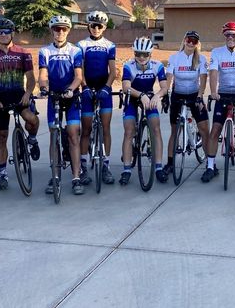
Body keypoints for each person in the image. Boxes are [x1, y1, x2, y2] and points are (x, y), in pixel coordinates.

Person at [0, 18, 40, 191]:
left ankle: (33, 139)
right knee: (2, 136)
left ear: (12, 33)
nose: (3, 35)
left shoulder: (23, 53)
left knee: (32, 120)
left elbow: (30, 78)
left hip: (19, 95)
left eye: (6, 32)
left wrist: (28, 94)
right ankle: (3, 174)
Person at [202, 21, 235, 184]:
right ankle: (210, 167)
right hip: (223, 94)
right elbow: (213, 72)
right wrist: (213, 92)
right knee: (215, 130)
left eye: (234, 35)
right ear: (224, 36)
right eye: (227, 35)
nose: (230, 37)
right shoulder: (217, 52)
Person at [38, 15, 84, 196]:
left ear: (68, 30)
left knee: (73, 135)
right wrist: (43, 87)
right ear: (52, 31)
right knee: (54, 136)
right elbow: (43, 74)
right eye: (57, 29)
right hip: (54, 96)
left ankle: (76, 177)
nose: (60, 32)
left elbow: (79, 76)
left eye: (64, 29)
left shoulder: (75, 50)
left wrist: (72, 89)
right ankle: (55, 175)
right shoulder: (44, 51)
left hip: (71, 96)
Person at [120, 37, 169, 185]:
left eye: (145, 54)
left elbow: (165, 87)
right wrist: (140, 95)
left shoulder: (157, 65)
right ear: (134, 53)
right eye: (138, 54)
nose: (141, 57)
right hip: (133, 97)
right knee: (129, 131)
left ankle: (159, 167)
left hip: (149, 97)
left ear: (150, 54)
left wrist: (157, 96)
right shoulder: (128, 65)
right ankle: (127, 169)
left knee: (156, 128)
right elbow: (125, 87)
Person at [77, 10, 117, 186]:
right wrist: (84, 86)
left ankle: (106, 165)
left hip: (104, 89)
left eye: (99, 26)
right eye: (92, 25)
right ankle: (83, 166)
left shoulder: (110, 45)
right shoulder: (80, 44)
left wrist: (108, 88)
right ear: (88, 26)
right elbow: (79, 69)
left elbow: (113, 71)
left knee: (106, 127)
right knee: (85, 129)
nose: (95, 28)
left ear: (104, 28)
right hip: (87, 88)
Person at [164, 31, 209, 175]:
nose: (191, 43)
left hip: (195, 94)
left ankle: (210, 163)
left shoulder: (201, 59)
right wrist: (165, 93)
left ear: (197, 44)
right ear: (184, 40)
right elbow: (169, 77)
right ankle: (170, 164)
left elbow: (203, 79)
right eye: (189, 40)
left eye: (194, 41)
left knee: (204, 129)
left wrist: (200, 96)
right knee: (174, 132)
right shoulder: (174, 58)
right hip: (178, 95)